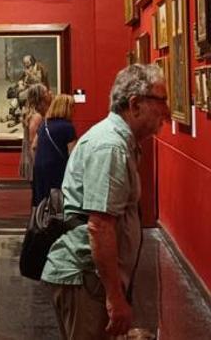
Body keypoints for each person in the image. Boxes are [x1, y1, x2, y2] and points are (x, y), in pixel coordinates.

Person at [42, 64, 170, 339]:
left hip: (92, 279)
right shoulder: (111, 147)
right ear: (135, 104)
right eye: (161, 101)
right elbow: (99, 226)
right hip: (86, 279)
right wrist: (114, 297)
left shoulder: (120, 142)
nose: (167, 112)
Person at [31, 94, 78, 206]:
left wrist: (37, 162)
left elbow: (34, 146)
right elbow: (73, 154)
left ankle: (39, 220)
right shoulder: (68, 127)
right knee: (56, 200)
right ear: (66, 108)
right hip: (58, 169)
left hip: (40, 168)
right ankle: (54, 221)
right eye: (73, 107)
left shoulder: (44, 124)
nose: (74, 110)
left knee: (40, 199)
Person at [19, 83, 52, 190]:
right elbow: (33, 143)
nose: (49, 93)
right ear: (40, 97)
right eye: (46, 92)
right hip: (36, 159)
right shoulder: (36, 117)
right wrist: (38, 165)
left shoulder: (37, 114)